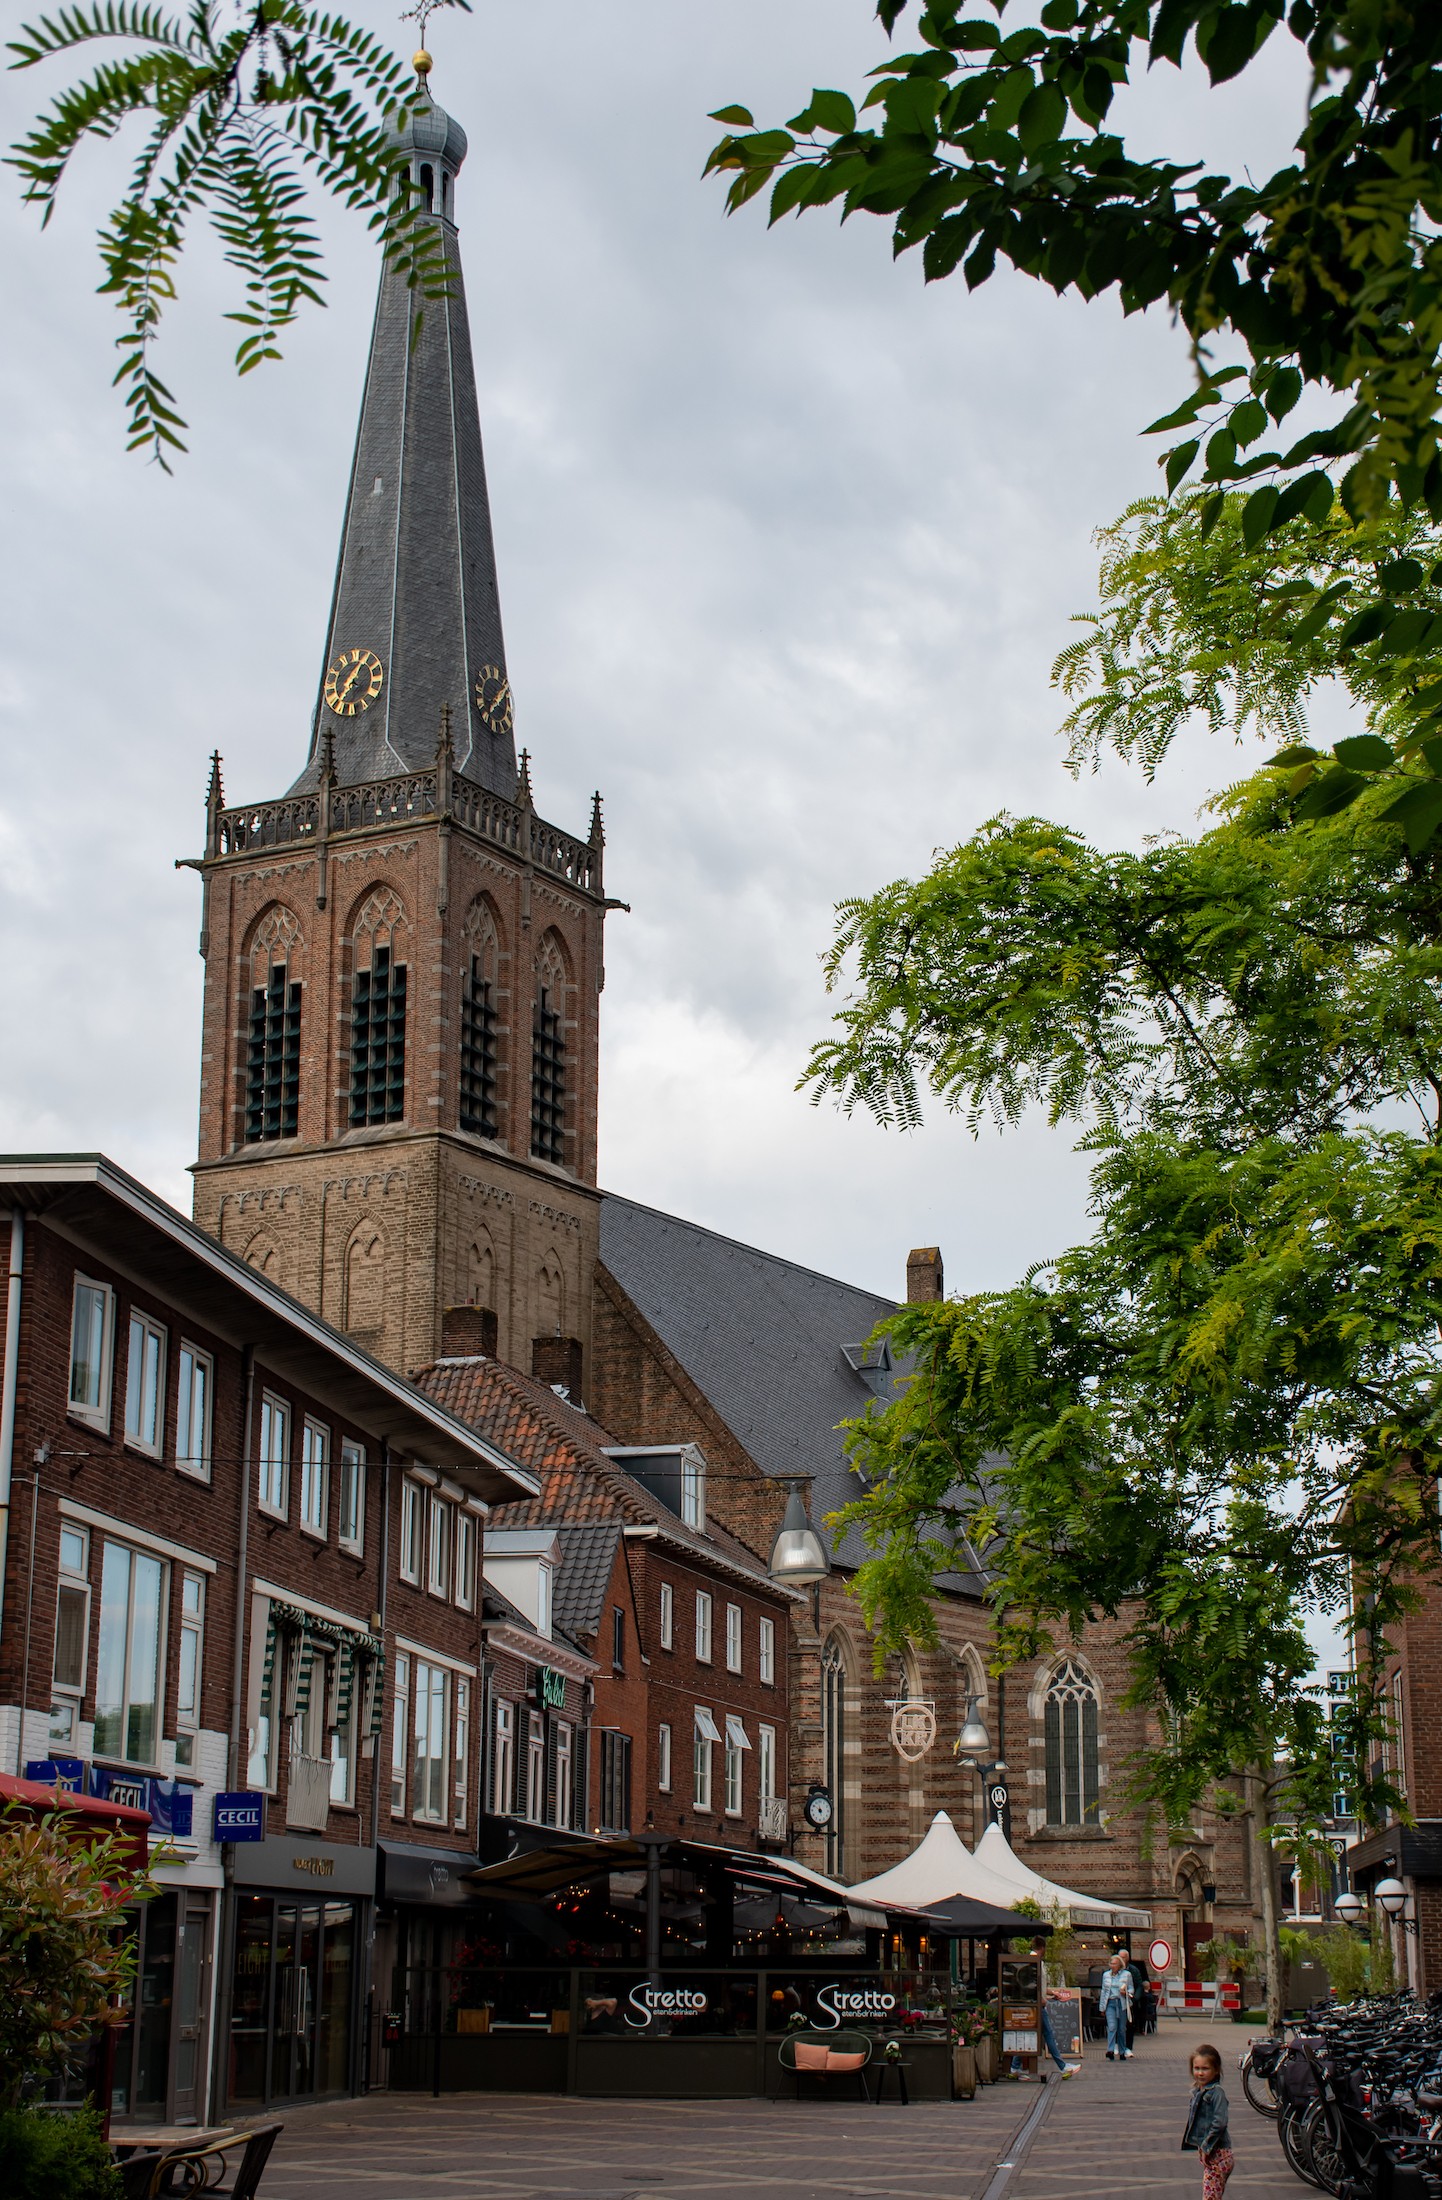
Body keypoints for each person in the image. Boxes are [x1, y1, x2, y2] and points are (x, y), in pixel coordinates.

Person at [1182, 2042, 1233, 2200]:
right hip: (1213, 2153)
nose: (1200, 2073)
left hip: (1219, 2154)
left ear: (1216, 2070)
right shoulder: (1200, 2092)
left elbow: (1219, 2123)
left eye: (1205, 2069)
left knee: (1210, 2197)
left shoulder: (1216, 2093)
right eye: (1197, 2069)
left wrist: (1206, 2147)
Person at [1098, 1953, 1134, 2060]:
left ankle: (1122, 2051)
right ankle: (1110, 2050)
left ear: (1119, 1965)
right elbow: (1104, 1992)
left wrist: (1126, 1992)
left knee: (1122, 2029)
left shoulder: (1127, 1975)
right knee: (1112, 2027)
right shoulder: (1106, 1975)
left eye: (1115, 1964)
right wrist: (1102, 2007)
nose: (1112, 1966)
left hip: (1122, 2003)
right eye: (1111, 1964)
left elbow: (1132, 1989)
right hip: (1111, 2003)